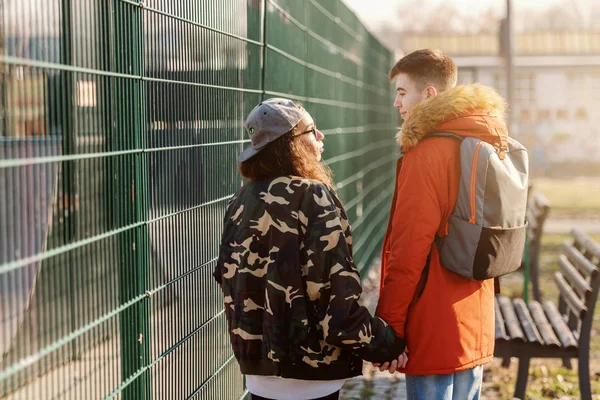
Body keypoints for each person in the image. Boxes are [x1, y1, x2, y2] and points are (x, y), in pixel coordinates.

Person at [214, 98, 407, 400]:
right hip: (311, 376)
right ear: (292, 143)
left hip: (257, 371)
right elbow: (337, 306)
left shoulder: (240, 200)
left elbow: (229, 279)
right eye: (312, 130)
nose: (321, 137)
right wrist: (388, 346)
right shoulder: (313, 196)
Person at [375, 49, 506, 399]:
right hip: (473, 312)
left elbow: (408, 250)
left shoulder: (425, 156)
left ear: (429, 95)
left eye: (402, 93)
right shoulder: (483, 139)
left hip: (432, 319)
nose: (396, 103)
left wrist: (389, 327)